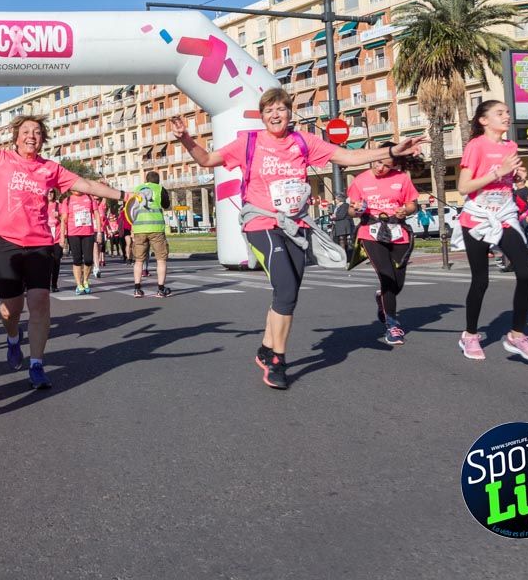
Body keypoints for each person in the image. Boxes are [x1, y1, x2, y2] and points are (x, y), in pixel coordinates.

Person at [170, 88, 427, 390]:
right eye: (268, 110)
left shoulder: (304, 142)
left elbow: (349, 156)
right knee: (287, 289)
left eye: (280, 109)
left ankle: (266, 348)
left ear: (290, 113)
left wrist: (392, 151)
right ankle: (278, 360)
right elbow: (207, 159)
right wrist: (186, 139)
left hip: (296, 225)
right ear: (262, 116)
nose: (275, 115)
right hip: (260, 222)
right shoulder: (249, 142)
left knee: (286, 292)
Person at [0, 114, 128, 389]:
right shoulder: (0, 159)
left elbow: (87, 185)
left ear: (43, 140)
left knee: (40, 301)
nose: (32, 136)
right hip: (3, 241)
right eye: (26, 131)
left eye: (38, 132)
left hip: (39, 241)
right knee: (10, 309)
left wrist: (125, 196)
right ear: (16, 137)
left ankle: (37, 364)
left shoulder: (50, 169)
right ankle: (12, 337)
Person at [454, 100, 528, 362]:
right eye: (499, 113)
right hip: (477, 217)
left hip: (504, 213)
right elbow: (463, 187)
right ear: (483, 120)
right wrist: (499, 172)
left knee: (527, 274)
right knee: (480, 280)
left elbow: (512, 178)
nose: (507, 116)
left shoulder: (510, 146)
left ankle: (516, 336)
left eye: (507, 112)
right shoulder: (476, 145)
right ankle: (470, 335)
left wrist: (517, 177)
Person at [346, 143, 421, 346]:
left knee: (398, 282)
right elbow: (351, 210)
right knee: (386, 277)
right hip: (371, 232)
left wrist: (405, 210)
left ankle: (382, 299)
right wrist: (358, 210)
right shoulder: (360, 180)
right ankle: (392, 325)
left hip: (398, 233)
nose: (380, 168)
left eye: (386, 166)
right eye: (378, 162)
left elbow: (412, 204)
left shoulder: (402, 179)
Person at [129, 170, 172, 298]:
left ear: (146, 180)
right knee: (161, 259)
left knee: (138, 260)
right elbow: (166, 205)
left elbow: (131, 208)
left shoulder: (137, 189)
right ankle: (160, 289)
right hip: (156, 228)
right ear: (158, 180)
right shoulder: (160, 189)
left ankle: (137, 289)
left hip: (139, 228)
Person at [61, 189, 101, 294]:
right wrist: (62, 237)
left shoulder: (89, 198)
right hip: (73, 234)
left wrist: (99, 232)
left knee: (88, 260)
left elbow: (96, 214)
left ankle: (85, 280)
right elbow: (63, 219)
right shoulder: (67, 200)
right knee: (77, 260)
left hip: (88, 233)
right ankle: (79, 284)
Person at [47, 191, 64, 293]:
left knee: (56, 262)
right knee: (45, 263)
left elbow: (65, 221)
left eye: (51, 192)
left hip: (56, 239)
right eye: (48, 192)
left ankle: (54, 284)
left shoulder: (59, 205)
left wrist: (59, 217)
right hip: (44, 239)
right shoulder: (42, 205)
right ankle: (45, 284)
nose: (49, 194)